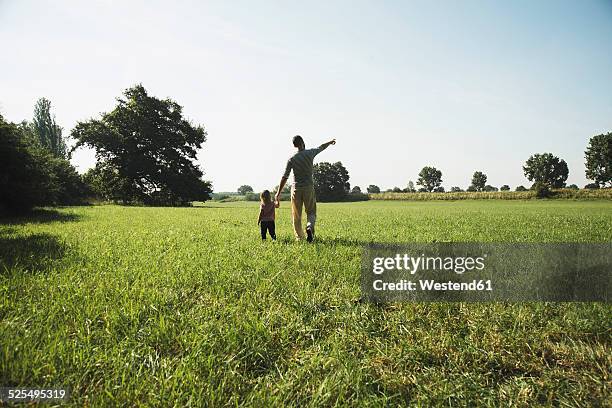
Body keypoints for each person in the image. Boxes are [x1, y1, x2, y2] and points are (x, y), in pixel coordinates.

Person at [275, 135, 336, 242]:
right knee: (311, 212)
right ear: (303, 142)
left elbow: (285, 176)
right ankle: (309, 226)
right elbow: (321, 147)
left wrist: (278, 192)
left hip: (296, 189)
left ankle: (300, 238)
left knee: (296, 215)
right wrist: (330, 142)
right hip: (308, 188)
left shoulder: (292, 159)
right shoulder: (310, 153)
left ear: (294, 145)